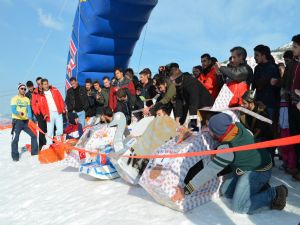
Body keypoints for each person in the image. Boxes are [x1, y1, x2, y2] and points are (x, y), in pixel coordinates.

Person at [172, 113, 288, 214]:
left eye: (210, 129)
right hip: (249, 165)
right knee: (226, 192)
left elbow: (209, 171)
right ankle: (259, 187)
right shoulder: (236, 126)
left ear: (218, 133)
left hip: (259, 170)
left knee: (239, 207)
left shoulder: (227, 149)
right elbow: (225, 139)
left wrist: (186, 190)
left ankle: (275, 193)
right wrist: (218, 149)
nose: (208, 130)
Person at [169, 63, 213, 131]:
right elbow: (179, 100)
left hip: (206, 105)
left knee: (206, 127)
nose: (172, 83)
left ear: (178, 78)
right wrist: (177, 118)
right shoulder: (178, 84)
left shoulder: (191, 83)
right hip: (196, 106)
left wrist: (193, 122)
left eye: (172, 80)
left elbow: (193, 102)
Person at [11, 83, 38, 161]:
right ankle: (15, 156)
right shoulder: (14, 98)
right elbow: (13, 110)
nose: (23, 90)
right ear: (18, 89)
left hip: (26, 121)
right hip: (17, 121)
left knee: (33, 135)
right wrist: (18, 113)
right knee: (16, 139)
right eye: (22, 88)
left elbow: (29, 110)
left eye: (24, 89)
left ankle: (34, 152)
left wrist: (30, 118)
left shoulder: (26, 99)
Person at [253, 45, 280, 118]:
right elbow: (255, 84)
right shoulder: (257, 68)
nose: (255, 57)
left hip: (269, 104)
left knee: (267, 126)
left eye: (257, 55)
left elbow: (263, 83)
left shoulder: (272, 67)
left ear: (263, 56)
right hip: (258, 103)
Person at [288, 34, 300, 181]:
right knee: (295, 137)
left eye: (295, 46)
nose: (292, 49)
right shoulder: (295, 64)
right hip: (294, 105)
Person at [39, 79, 65, 145]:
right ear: (42, 85)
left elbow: (60, 99)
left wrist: (63, 108)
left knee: (60, 130)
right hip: (49, 114)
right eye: (44, 84)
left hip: (58, 112)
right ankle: (49, 144)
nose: (46, 85)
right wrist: (44, 114)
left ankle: (58, 141)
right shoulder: (41, 95)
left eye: (47, 83)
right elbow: (41, 106)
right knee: (50, 131)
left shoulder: (54, 90)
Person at [31, 77, 47, 150]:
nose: (40, 85)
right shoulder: (35, 92)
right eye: (38, 84)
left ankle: (52, 144)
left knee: (50, 129)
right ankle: (41, 147)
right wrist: (36, 111)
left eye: (41, 83)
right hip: (39, 114)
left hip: (47, 112)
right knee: (42, 130)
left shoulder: (46, 90)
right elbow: (33, 104)